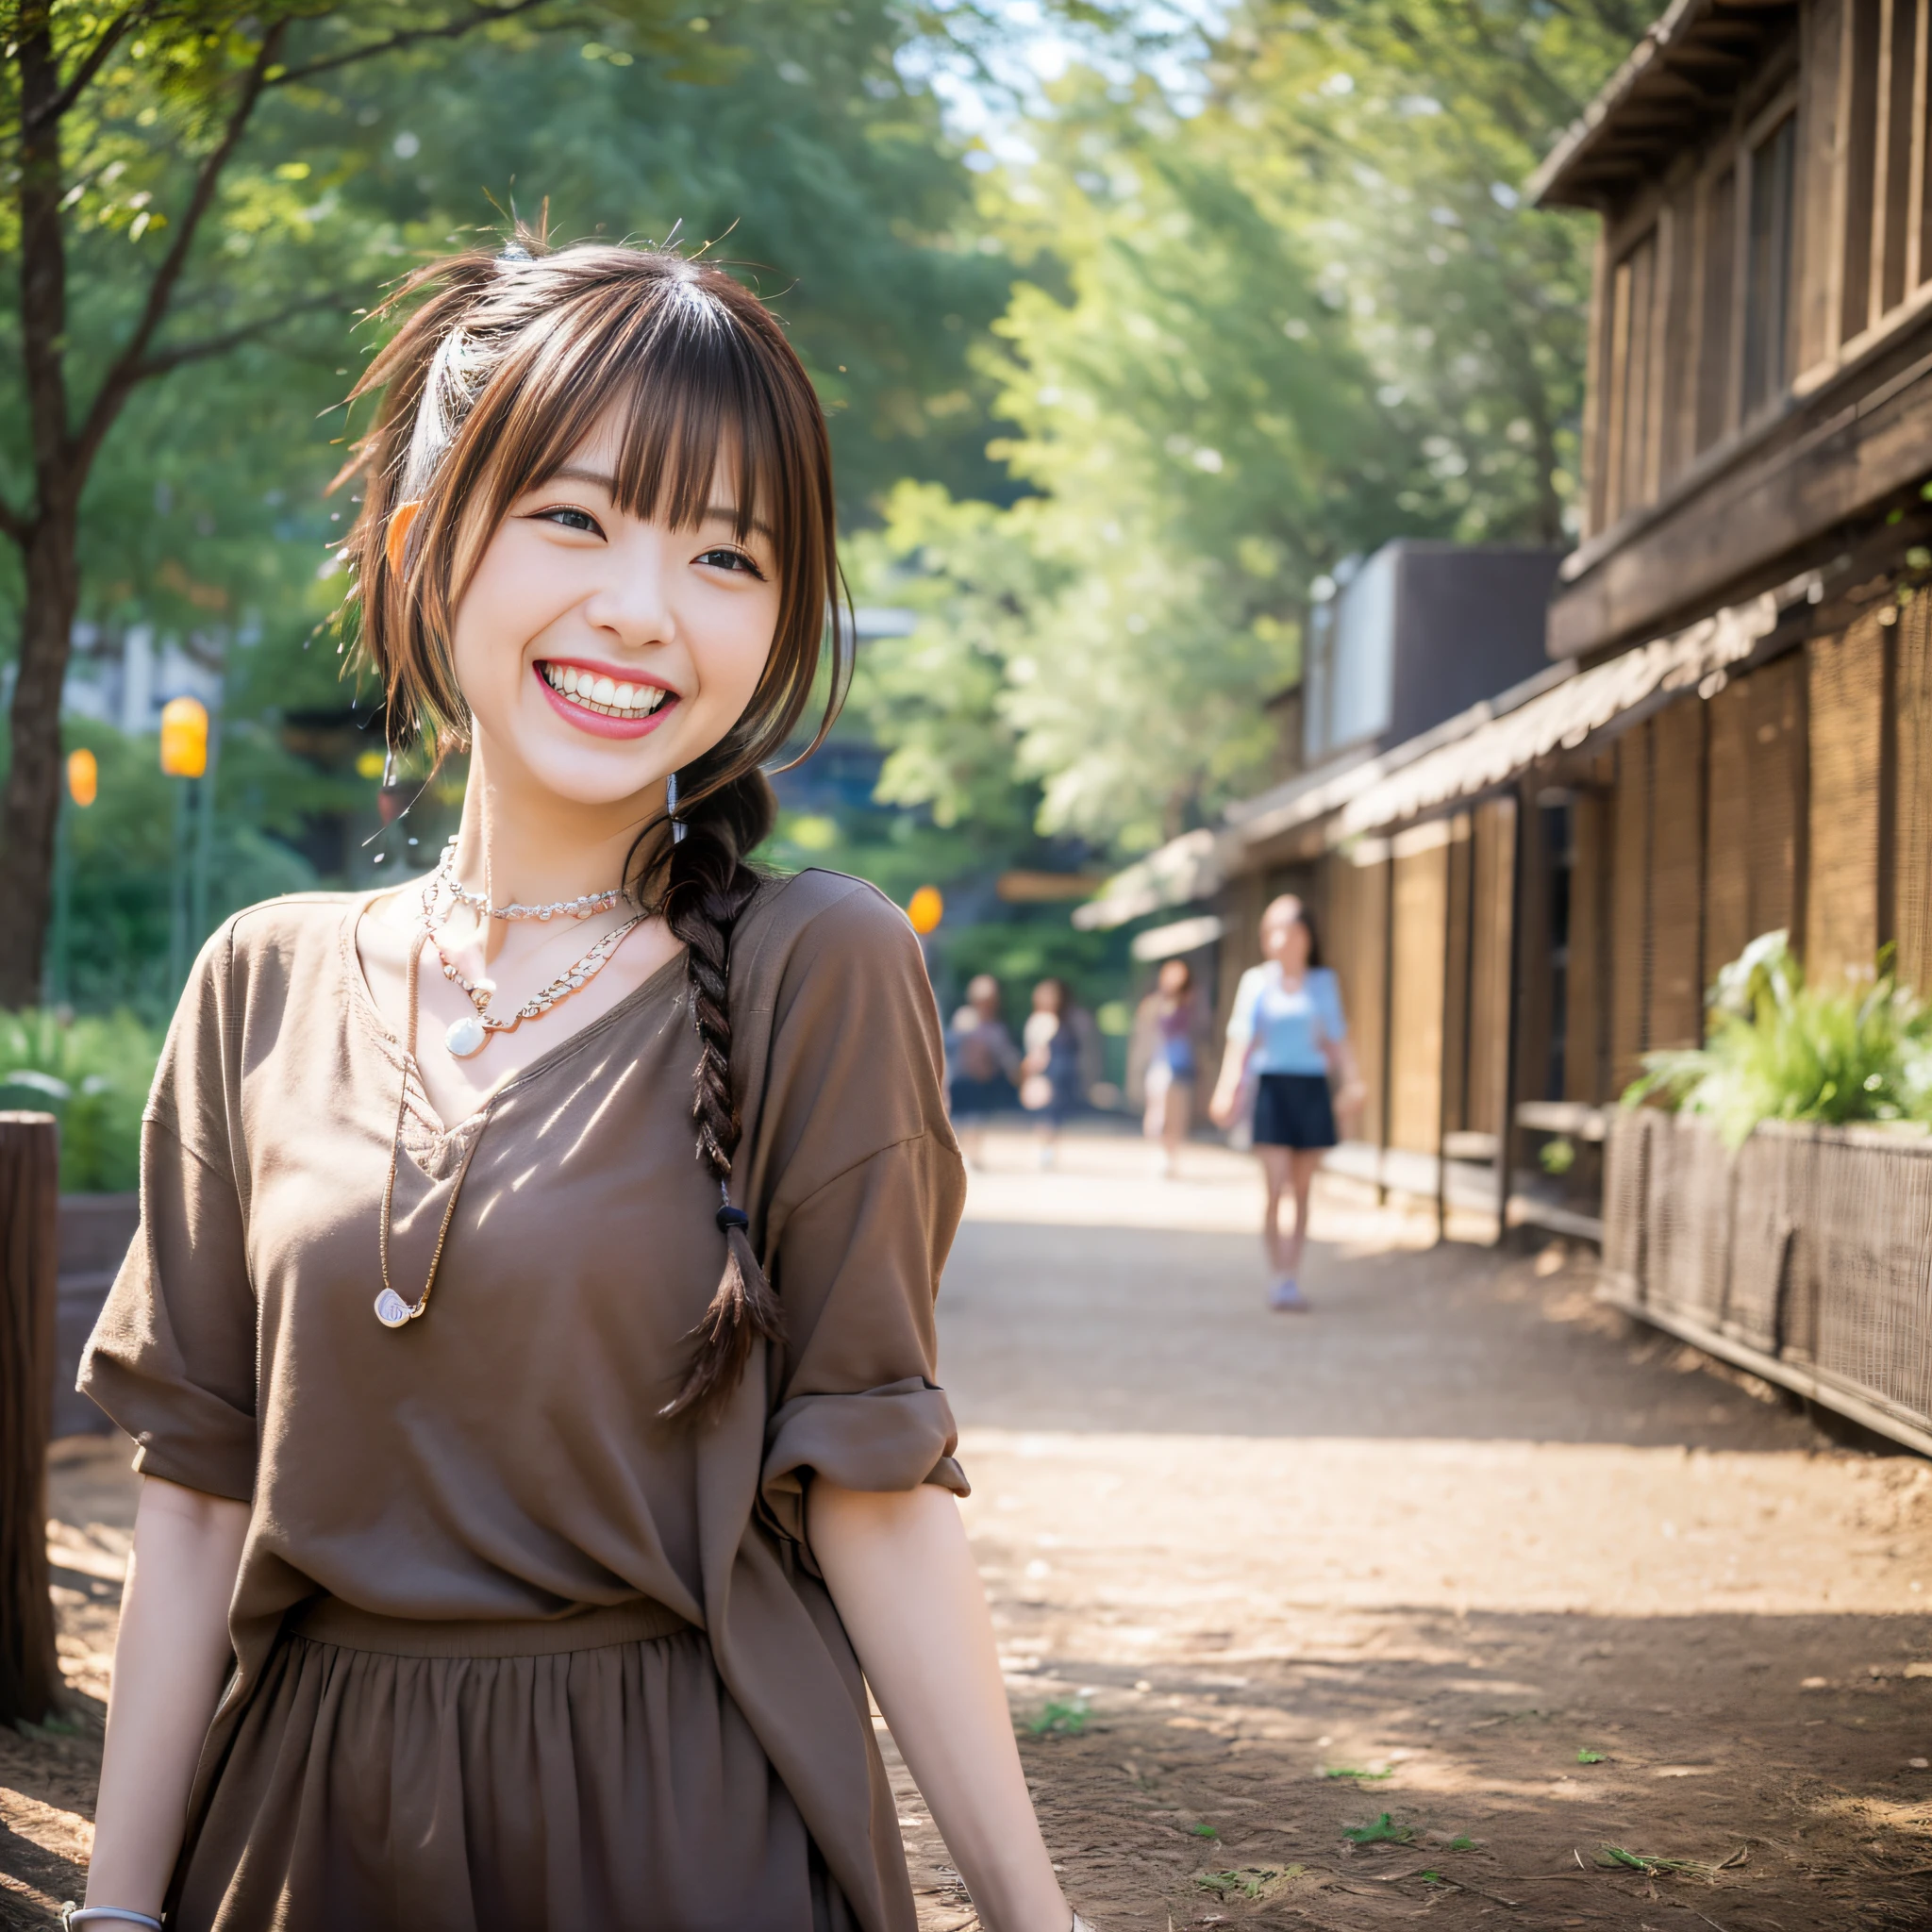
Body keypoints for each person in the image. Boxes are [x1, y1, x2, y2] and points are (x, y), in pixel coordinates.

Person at [72, 237, 1097, 1932]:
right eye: (576, 516)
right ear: (427, 548)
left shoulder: (818, 965)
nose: (644, 607)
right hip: (295, 1842)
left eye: (724, 553)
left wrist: (1032, 1917)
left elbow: (876, 1487)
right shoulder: (257, 977)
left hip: (680, 1836)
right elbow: (192, 1506)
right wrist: (111, 1910)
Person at [1208, 894, 1365, 1311]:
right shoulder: (1256, 982)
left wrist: (1353, 1081)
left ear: (1306, 937)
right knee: (1274, 1187)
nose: (1280, 939)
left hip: (1311, 1088)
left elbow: (1336, 1037)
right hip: (1272, 1089)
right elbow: (1239, 1040)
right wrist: (1228, 1088)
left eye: (1289, 929)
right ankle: (1276, 1275)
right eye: (1272, 930)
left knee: (1302, 1190)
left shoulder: (1323, 983)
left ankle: (1292, 1276)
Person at [1128, 958, 1199, 1179]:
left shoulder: (1191, 1002)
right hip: (1160, 1064)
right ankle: (1161, 1152)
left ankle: (1171, 1156)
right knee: (1159, 1113)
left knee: (1177, 1115)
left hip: (1183, 1063)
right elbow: (1143, 1035)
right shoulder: (1153, 1004)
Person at [946, 973, 1021, 1169]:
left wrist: (1015, 1070)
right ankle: (959, 1155)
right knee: (958, 1120)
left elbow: (1005, 1054)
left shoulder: (996, 1028)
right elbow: (950, 1044)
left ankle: (972, 1155)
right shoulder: (964, 1017)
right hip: (960, 1078)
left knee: (975, 1119)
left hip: (980, 1081)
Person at [1019, 977, 1091, 1169]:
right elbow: (1035, 1049)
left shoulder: (1070, 1019)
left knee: (1054, 1113)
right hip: (1046, 1072)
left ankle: (1049, 1148)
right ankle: (1045, 1148)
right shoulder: (1040, 1021)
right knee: (1045, 1112)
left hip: (1062, 1072)